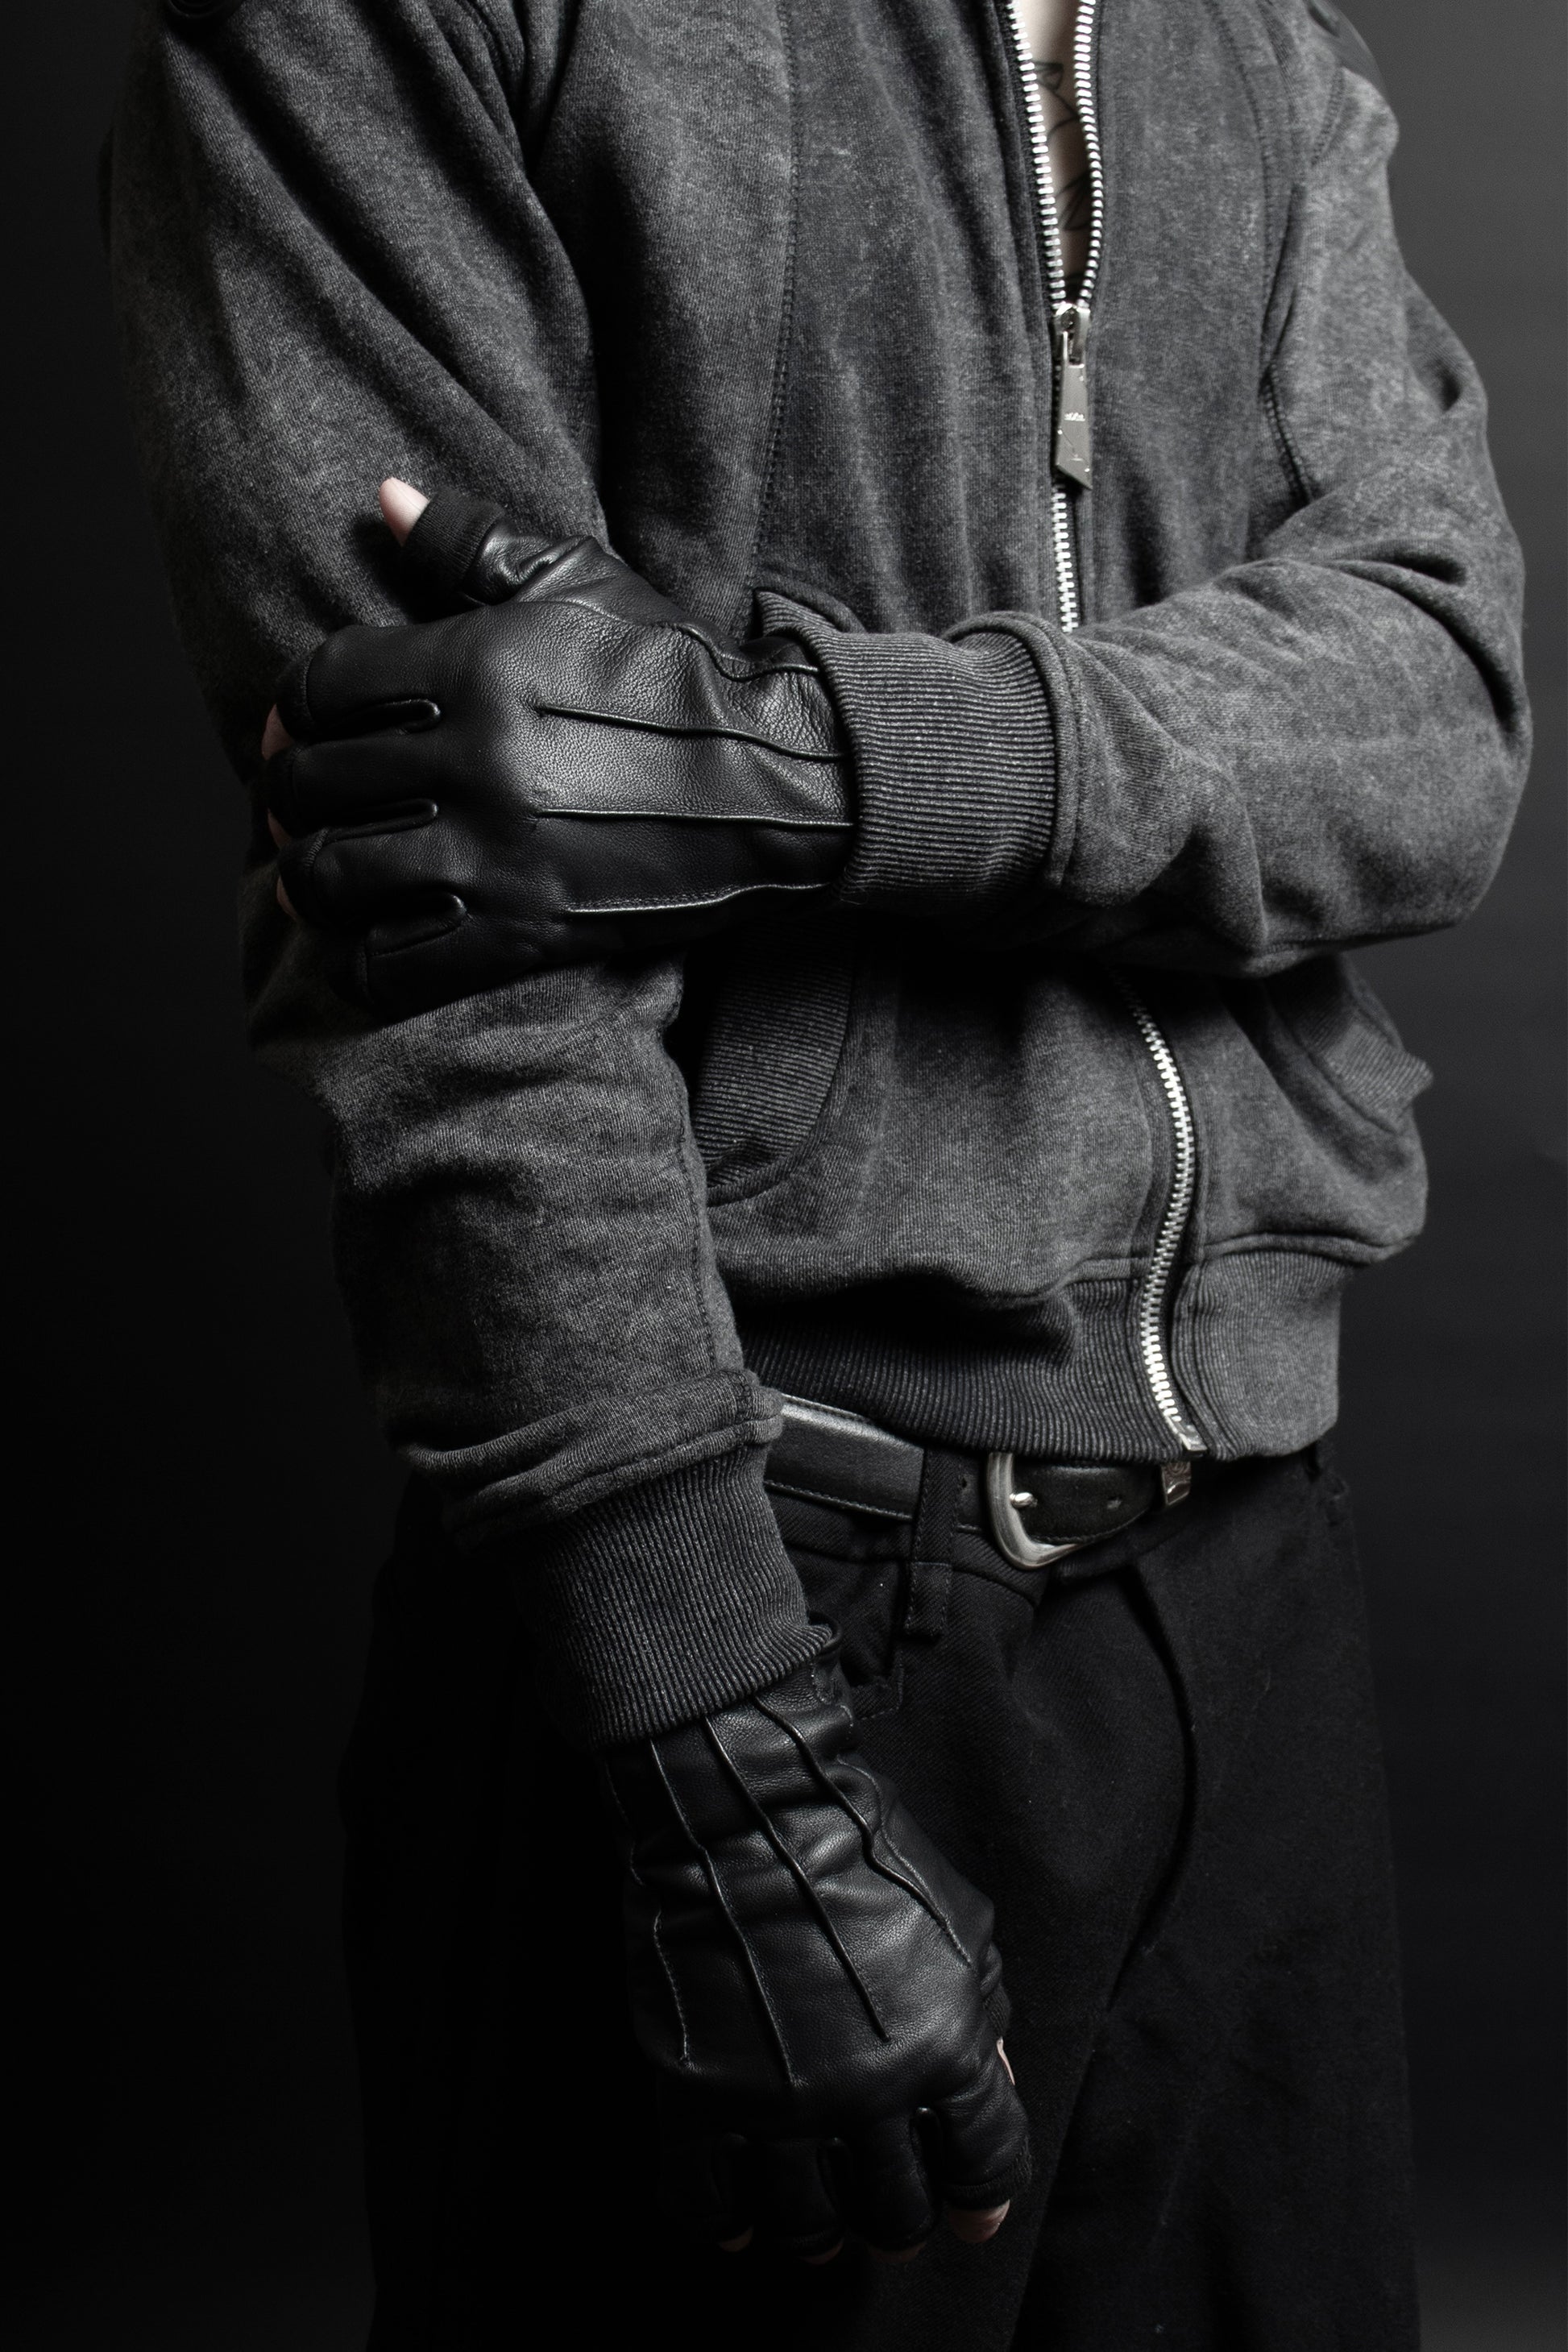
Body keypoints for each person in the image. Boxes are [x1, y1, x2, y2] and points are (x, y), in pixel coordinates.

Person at [108, 0, 1527, 2343]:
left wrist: (812, 767)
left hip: (1246, 1595)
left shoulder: (1256, 45)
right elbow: (451, 963)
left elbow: (1436, 711)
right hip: (757, 1598)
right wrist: (723, 1759)